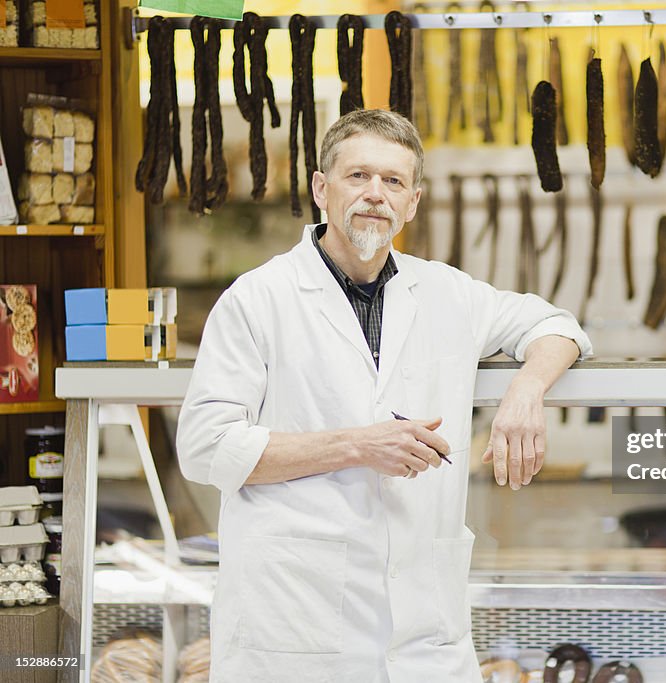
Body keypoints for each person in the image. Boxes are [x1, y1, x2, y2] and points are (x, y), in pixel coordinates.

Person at [176, 109, 592, 682]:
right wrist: (355, 446)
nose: (376, 194)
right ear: (322, 188)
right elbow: (205, 448)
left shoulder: (446, 291)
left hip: (422, 633)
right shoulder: (259, 298)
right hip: (296, 625)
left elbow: (555, 325)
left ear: (412, 202)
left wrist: (525, 389)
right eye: (358, 176)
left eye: (393, 181)